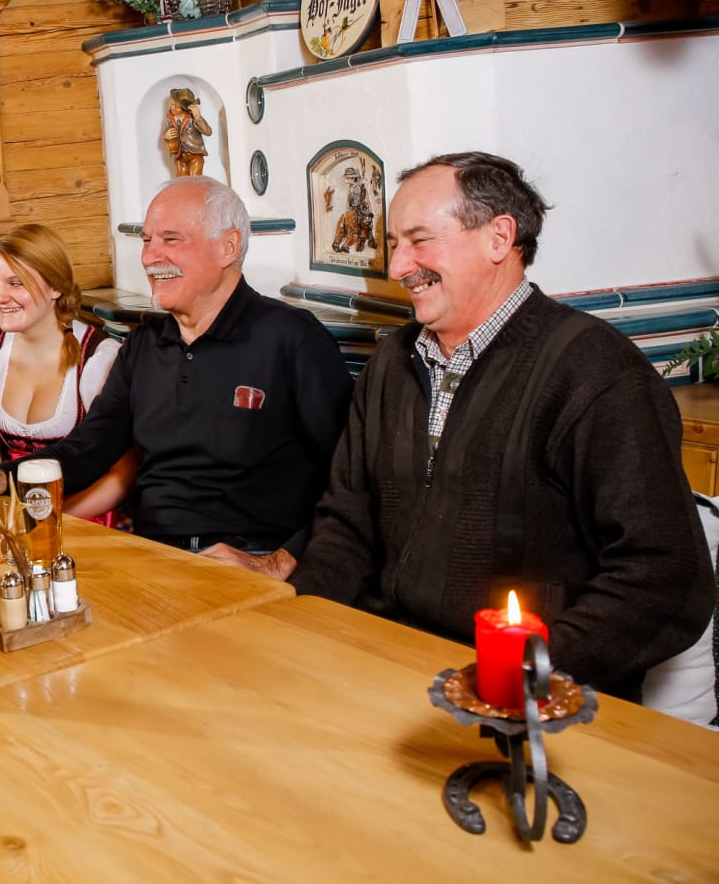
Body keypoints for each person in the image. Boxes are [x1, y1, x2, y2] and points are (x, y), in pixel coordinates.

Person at [224, 152, 714, 701]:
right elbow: (347, 528)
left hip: (538, 699)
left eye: (420, 241)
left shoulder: (597, 372)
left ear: (499, 238)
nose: (398, 267)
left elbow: (668, 577)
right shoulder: (392, 364)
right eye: (394, 244)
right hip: (384, 664)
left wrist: (523, 669)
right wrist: (300, 628)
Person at [0, 177, 353, 555]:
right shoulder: (144, 344)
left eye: (170, 239)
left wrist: (282, 562)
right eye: (147, 240)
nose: (150, 257)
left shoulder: (292, 338)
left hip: (253, 555)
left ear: (228, 247)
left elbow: (350, 479)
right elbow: (87, 450)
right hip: (154, 552)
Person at [0, 223, 133, 525]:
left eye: (16, 283)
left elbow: (122, 477)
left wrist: (53, 519)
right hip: (16, 510)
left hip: (86, 517)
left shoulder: (99, 359)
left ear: (55, 288)